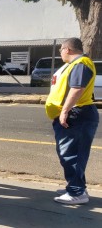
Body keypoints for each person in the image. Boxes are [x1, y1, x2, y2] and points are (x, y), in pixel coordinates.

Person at [45, 37, 98, 205]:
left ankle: (77, 193)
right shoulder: (73, 65)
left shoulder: (80, 64)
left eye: (61, 49)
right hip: (75, 115)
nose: (60, 53)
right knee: (70, 154)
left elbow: (77, 89)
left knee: (71, 155)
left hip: (77, 115)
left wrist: (65, 111)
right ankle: (76, 187)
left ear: (67, 49)